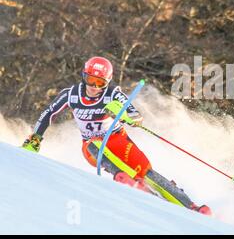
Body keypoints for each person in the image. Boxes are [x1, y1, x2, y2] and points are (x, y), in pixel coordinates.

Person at [22, 56, 211, 215]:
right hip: (92, 144)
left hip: (117, 139)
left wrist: (126, 116)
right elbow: (48, 113)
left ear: (107, 82)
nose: (94, 87)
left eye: (100, 83)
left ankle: (191, 206)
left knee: (145, 171)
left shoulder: (113, 94)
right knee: (93, 145)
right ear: (84, 77)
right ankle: (121, 176)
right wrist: (36, 138)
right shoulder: (70, 95)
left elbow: (135, 115)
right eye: (90, 81)